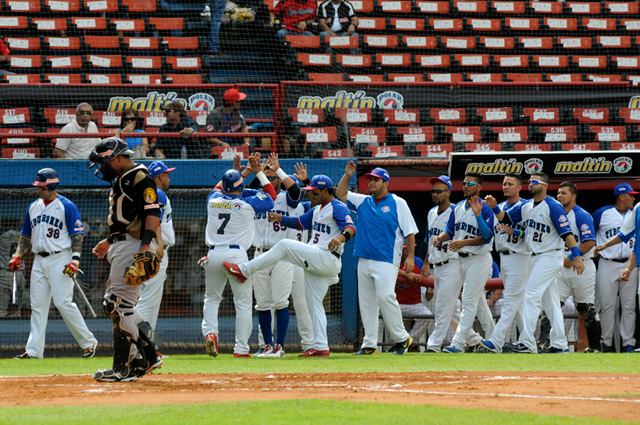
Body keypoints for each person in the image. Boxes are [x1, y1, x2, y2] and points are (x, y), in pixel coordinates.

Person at [224, 174, 356, 357]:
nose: (311, 195)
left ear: (326, 191)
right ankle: (320, 346)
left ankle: (244, 269)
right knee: (314, 304)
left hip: (326, 256)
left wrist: (340, 238)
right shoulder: (318, 209)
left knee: (284, 245)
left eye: (315, 192)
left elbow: (350, 228)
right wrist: (279, 218)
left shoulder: (337, 207)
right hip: (317, 261)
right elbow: (300, 223)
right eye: (310, 191)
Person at [88, 137, 164, 382]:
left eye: (105, 161)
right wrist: (109, 240)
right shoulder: (125, 177)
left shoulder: (139, 176)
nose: (102, 167)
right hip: (123, 243)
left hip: (133, 245)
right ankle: (149, 357)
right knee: (121, 305)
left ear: (117, 157)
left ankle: (124, 368)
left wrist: (145, 247)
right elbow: (126, 218)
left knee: (119, 305)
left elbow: (152, 214)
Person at [10, 168, 98, 359]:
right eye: (39, 186)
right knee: (37, 305)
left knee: (63, 302)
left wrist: (75, 260)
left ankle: (88, 343)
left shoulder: (66, 205)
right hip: (39, 260)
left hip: (61, 257)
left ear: (52, 185)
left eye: (42, 187)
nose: (39, 190)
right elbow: (26, 235)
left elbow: (77, 235)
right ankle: (33, 352)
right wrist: (18, 255)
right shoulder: (33, 206)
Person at [496, 172, 585, 354]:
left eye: (534, 181)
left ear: (545, 186)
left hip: (549, 256)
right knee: (551, 303)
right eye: (529, 181)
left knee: (530, 295)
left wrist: (576, 256)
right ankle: (560, 344)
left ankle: (527, 342)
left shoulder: (553, 206)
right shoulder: (527, 206)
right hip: (535, 256)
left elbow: (567, 234)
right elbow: (506, 218)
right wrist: (493, 208)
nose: (530, 184)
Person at [199, 154, 276, 358]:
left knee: (212, 298)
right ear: (240, 187)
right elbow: (271, 195)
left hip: (213, 254)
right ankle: (241, 348)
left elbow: (221, 188)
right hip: (236, 255)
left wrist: (243, 173)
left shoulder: (213, 200)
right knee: (242, 303)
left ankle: (211, 333)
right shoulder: (247, 204)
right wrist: (257, 171)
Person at [336, 163, 417, 355]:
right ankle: (369, 344)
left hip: (387, 258)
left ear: (386, 183)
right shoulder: (363, 201)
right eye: (370, 179)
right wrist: (347, 175)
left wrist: (411, 258)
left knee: (385, 296)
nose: (371, 182)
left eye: (376, 180)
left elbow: (410, 232)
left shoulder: (398, 202)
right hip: (363, 258)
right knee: (367, 302)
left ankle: (402, 338)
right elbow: (341, 194)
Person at [247, 154, 303, 358]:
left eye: (272, 178)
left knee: (280, 302)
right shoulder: (255, 197)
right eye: (266, 178)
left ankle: (280, 345)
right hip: (260, 253)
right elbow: (246, 187)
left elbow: (296, 191)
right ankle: (267, 345)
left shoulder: (287, 198)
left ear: (279, 179)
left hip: (281, 255)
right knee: (262, 303)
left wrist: (277, 169)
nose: (269, 181)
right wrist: (258, 171)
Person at [433, 173, 495, 354]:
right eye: (464, 183)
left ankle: (458, 344)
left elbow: (486, 236)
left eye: (470, 183)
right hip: (461, 260)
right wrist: (441, 238)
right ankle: (494, 341)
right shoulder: (458, 207)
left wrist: (477, 216)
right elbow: (449, 231)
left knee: (468, 301)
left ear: (479, 187)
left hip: (479, 259)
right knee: (480, 304)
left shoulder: (485, 208)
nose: (466, 186)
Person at [478, 174, 532, 354]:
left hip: (520, 255)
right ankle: (528, 342)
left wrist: (514, 230)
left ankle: (496, 340)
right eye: (504, 184)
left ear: (519, 188)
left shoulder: (525, 206)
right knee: (517, 303)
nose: (506, 187)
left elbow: (524, 230)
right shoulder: (498, 207)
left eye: (510, 184)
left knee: (511, 300)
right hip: (504, 256)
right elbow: (491, 231)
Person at [554, 181, 601, 353]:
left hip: (581, 266)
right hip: (560, 268)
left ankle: (595, 347)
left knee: (585, 308)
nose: (560, 196)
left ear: (573, 196)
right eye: (558, 193)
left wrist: (573, 256)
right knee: (552, 305)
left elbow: (589, 242)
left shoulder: (581, 214)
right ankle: (551, 343)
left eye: (564, 193)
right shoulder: (555, 214)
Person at [594, 182, 640, 353]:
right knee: (606, 305)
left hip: (631, 262)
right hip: (608, 262)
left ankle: (628, 343)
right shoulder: (602, 213)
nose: (634, 197)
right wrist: (595, 249)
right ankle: (606, 343)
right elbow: (589, 233)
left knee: (629, 306)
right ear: (622, 196)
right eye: (631, 195)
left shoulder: (635, 213)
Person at [136, 161, 176, 336]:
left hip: (153, 247)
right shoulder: (156, 193)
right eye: (167, 175)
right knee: (147, 301)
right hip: (154, 247)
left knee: (152, 301)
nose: (168, 178)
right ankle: (134, 344)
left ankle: (147, 345)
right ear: (160, 176)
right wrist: (159, 243)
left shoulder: (151, 192)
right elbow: (154, 220)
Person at [385, 244, 431, 351]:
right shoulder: (393, 261)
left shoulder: (418, 261)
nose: (407, 251)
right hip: (397, 303)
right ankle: (390, 346)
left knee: (427, 315)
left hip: (414, 303)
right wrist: (407, 275)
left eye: (409, 248)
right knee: (388, 315)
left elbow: (427, 277)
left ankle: (410, 342)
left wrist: (430, 288)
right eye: (405, 249)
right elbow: (389, 270)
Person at [0, 229, 25, 317]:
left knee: (1, 311)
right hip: (19, 274)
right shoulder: (23, 235)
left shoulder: (2, 235)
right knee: (16, 312)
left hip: (4, 273)